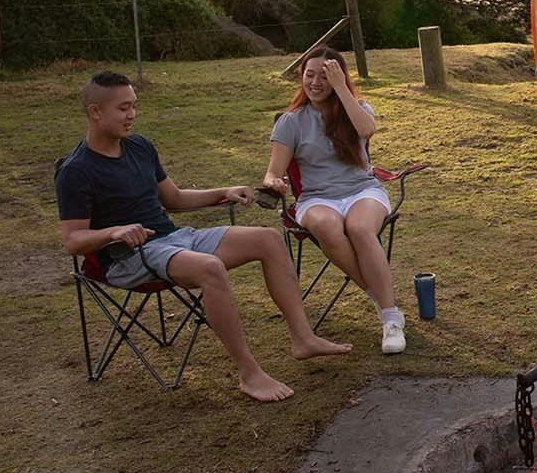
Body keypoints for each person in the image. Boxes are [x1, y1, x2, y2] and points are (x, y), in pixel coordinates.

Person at [55, 70, 350, 402]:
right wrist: (114, 231)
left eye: (134, 106)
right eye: (123, 108)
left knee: (267, 238)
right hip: (127, 257)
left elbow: (174, 199)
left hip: (175, 240)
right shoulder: (76, 171)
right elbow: (73, 241)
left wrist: (223, 192)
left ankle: (303, 338)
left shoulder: (139, 147)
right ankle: (249, 374)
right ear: (95, 112)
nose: (132, 115)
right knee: (210, 268)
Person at [264, 47, 407, 354]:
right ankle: (383, 301)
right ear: (301, 77)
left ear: (339, 77)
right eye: (309, 75)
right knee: (326, 226)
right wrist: (274, 181)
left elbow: (368, 129)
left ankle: (391, 322)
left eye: (325, 76)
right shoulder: (290, 122)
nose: (316, 83)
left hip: (362, 190)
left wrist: (341, 89)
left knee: (359, 228)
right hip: (316, 198)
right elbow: (273, 171)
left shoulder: (356, 108)